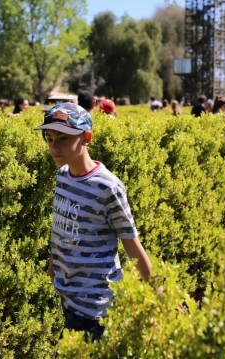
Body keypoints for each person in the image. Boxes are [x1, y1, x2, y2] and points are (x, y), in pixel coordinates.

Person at [34, 102, 153, 340]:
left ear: (86, 137)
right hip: (69, 296)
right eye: (49, 138)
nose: (54, 147)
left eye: (63, 138)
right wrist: (53, 264)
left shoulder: (107, 187)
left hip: (96, 306)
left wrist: (160, 294)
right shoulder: (63, 176)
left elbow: (131, 244)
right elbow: (64, 226)